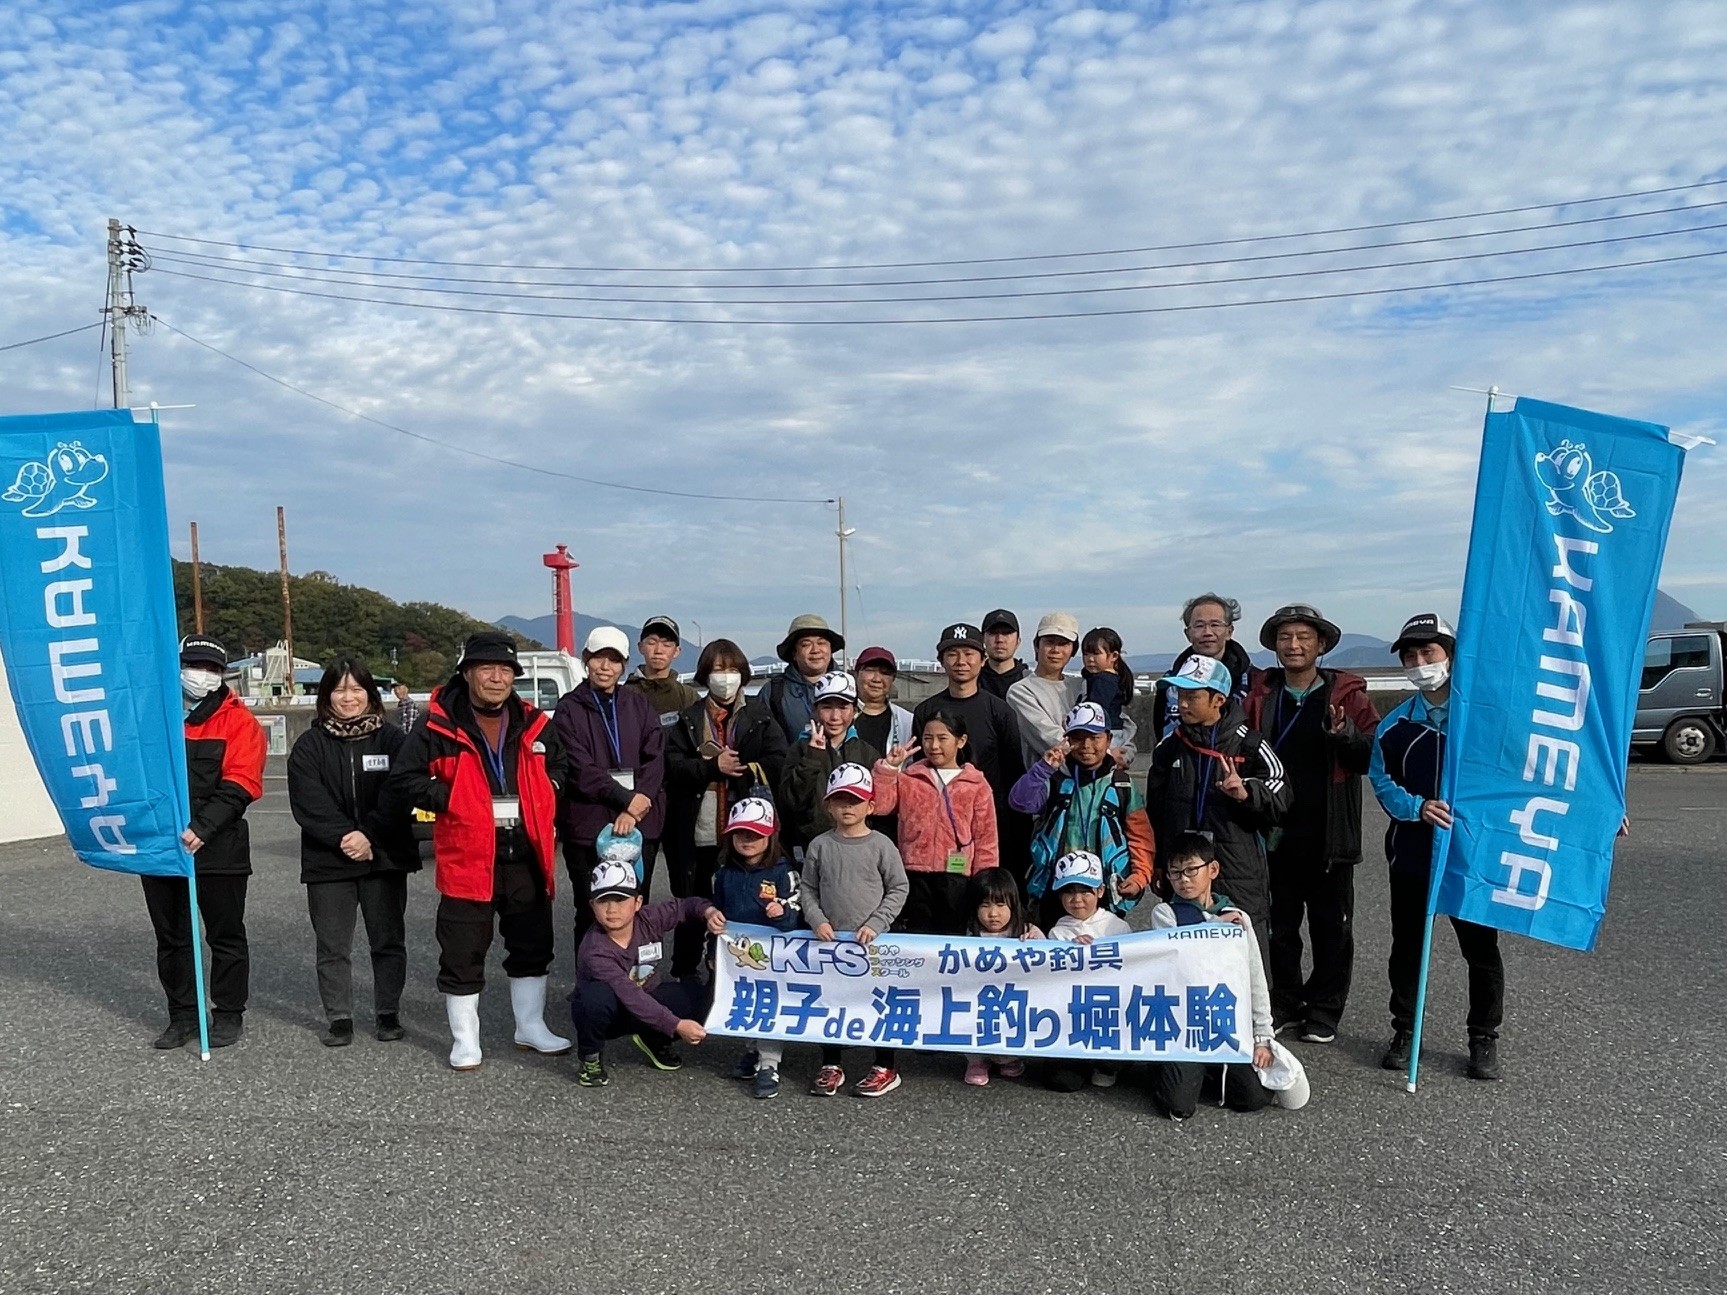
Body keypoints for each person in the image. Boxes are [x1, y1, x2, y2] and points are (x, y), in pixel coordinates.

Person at [387, 631, 571, 1070]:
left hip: (526, 852)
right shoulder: (436, 725)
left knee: (532, 944)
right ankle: (465, 1040)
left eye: (506, 670)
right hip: (467, 855)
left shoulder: (534, 722)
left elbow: (561, 765)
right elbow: (403, 779)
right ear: (467, 673)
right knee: (462, 950)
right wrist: (451, 798)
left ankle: (530, 1027)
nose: (497, 677)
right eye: (487, 668)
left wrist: (549, 787)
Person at [1369, 613, 1504, 1082]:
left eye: (1429, 653)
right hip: (1412, 855)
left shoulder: (1485, 718)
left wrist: (1598, 813)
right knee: (1408, 948)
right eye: (1410, 657)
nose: (1420, 663)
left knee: (1480, 950)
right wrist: (1417, 807)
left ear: (1450, 655)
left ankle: (1483, 1037)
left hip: (1472, 856)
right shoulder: (1393, 726)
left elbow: (1527, 775)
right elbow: (1382, 781)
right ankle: (1406, 1031)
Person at [1243, 604, 1380, 1044]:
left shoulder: (1348, 696)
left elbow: (1372, 756)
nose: (1294, 645)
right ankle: (1284, 1001)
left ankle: (1324, 1009)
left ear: (1321, 645)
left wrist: (1346, 735)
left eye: (1304, 637)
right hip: (1274, 830)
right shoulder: (1261, 696)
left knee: (1331, 927)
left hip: (1329, 832)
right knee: (1278, 926)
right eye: (1285, 637)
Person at [287, 657, 421, 1047]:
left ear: (370, 694)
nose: (349, 698)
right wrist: (347, 837)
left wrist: (369, 836)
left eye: (357, 689)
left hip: (384, 855)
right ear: (327, 696)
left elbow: (400, 793)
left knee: (388, 941)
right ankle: (339, 1018)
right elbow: (308, 802)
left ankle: (388, 1013)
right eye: (340, 690)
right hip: (328, 859)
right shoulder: (309, 745)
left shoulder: (393, 740)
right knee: (332, 944)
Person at [144, 635, 266, 1050]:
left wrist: (203, 828)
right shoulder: (154, 715)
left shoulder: (239, 721)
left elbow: (242, 783)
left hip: (219, 845)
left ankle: (228, 1013)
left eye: (212, 669)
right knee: (172, 937)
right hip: (163, 847)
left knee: (225, 935)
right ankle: (182, 1015)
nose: (202, 675)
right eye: (194, 665)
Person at [1145, 655, 1290, 966]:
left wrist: (1247, 793)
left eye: (1193, 696)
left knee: (1245, 955)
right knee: (1184, 957)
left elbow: (1282, 796)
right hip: (1184, 870)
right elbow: (1154, 813)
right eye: (1180, 695)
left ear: (1219, 700)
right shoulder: (1169, 746)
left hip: (1237, 868)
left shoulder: (1250, 744)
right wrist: (1157, 864)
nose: (1183, 704)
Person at [663, 637, 789, 978]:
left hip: (746, 832)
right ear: (705, 675)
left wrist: (743, 768)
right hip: (700, 830)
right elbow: (672, 766)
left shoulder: (760, 716)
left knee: (745, 904)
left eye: (732, 669)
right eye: (718, 669)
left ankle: (744, 976)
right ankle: (685, 976)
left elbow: (779, 761)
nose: (726, 677)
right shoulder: (689, 718)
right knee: (695, 904)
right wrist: (711, 767)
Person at [1145, 831, 1278, 1119]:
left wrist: (1262, 1037)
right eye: (1175, 873)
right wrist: (1216, 925)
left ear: (1213, 869)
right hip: (1182, 1026)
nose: (1184, 880)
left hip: (1222, 1025)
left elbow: (1255, 978)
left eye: (1191, 870)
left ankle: (1207, 1072)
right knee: (1178, 1105)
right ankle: (1165, 1070)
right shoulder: (1165, 913)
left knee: (1253, 1098)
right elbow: (1179, 956)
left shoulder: (1237, 916)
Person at [801, 764, 909, 1097]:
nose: (848, 806)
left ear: (870, 806)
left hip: (873, 943)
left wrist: (877, 923)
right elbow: (807, 888)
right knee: (830, 1000)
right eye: (840, 800)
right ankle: (831, 1063)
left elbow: (899, 887)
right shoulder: (819, 845)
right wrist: (817, 919)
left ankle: (885, 1065)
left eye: (856, 800)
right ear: (828, 806)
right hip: (830, 942)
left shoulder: (881, 845)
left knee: (880, 1002)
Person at [570, 860, 727, 1088]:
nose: (612, 909)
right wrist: (676, 1025)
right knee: (593, 1000)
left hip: (648, 995)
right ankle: (590, 1057)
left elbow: (685, 906)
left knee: (702, 999)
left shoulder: (649, 918)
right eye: (603, 901)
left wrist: (708, 912)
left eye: (620, 900)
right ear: (592, 905)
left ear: (638, 902)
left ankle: (654, 1037)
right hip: (614, 1011)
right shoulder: (594, 950)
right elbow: (630, 995)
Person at [555, 626, 666, 937]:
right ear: (585, 659)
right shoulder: (568, 709)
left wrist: (636, 805)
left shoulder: (638, 704)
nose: (605, 667)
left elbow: (656, 757)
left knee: (635, 907)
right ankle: (592, 969)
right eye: (598, 658)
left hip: (638, 823)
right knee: (590, 910)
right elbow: (579, 767)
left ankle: (634, 968)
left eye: (614, 660)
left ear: (624, 665)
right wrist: (626, 799)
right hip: (588, 826)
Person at [1009, 701, 1154, 929]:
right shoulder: (1055, 780)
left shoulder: (1122, 786)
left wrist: (1139, 876)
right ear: (1066, 740)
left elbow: (1141, 837)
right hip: (1056, 890)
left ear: (1108, 739)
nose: (1087, 746)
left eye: (1095, 737)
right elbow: (1019, 802)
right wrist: (1044, 768)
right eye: (1077, 738)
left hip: (1103, 890)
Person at [912, 622, 1029, 879]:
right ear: (941, 660)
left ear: (983, 660)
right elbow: (921, 774)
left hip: (991, 820)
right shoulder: (926, 711)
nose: (961, 662)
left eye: (969, 654)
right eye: (952, 654)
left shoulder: (1000, 711)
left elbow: (1013, 771)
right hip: (940, 826)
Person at [872, 710, 1000, 935]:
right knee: (915, 934)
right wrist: (889, 769)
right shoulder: (910, 778)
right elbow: (882, 807)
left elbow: (986, 838)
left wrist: (985, 882)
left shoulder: (976, 784)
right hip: (912, 871)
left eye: (942, 738)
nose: (934, 746)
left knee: (953, 935)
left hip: (957, 877)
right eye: (928, 738)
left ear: (961, 741)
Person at [710, 797, 803, 1099]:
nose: (747, 840)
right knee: (744, 1002)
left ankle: (769, 1063)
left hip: (773, 955)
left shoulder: (783, 872)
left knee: (768, 1005)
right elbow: (717, 909)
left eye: (755, 833)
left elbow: (797, 910)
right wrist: (712, 944)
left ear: (770, 835)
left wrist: (783, 912)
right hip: (736, 955)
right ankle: (752, 1051)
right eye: (740, 833)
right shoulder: (724, 873)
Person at [1043, 850, 1131, 1092]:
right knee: (1063, 1081)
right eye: (1068, 892)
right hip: (1071, 1014)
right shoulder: (1057, 932)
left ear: (1100, 891)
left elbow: (1132, 970)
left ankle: (1108, 1065)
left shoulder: (1117, 927)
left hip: (1108, 1009)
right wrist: (1070, 952)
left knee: (1110, 1060)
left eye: (1085, 891)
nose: (1077, 899)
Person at [778, 671, 883, 854]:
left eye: (843, 707)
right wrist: (812, 758)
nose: (835, 716)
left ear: (855, 710)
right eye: (827, 707)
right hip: (812, 847)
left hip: (859, 848)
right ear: (815, 710)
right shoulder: (799, 749)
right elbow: (791, 802)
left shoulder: (867, 752)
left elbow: (878, 806)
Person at [961, 867, 1042, 1086]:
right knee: (974, 1018)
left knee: (1012, 1019)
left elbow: (1048, 967)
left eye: (1000, 905)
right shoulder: (969, 934)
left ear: (1013, 904)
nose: (993, 913)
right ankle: (976, 1060)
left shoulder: (1027, 931)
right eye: (985, 905)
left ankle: (1009, 1058)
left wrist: (1036, 944)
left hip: (1012, 997)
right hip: (980, 996)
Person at [1151, 593, 1258, 742]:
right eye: (1199, 625)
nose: (1207, 632)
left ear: (1229, 631)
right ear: (1188, 634)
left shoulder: (1255, 681)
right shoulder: (1170, 684)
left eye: (1215, 625)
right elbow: (1160, 731)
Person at [1006, 612, 1081, 766]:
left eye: (1063, 643)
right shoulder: (1020, 692)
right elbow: (1049, 738)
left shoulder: (1081, 685)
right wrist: (1098, 752)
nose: (1055, 650)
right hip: (1047, 779)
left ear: (1073, 650)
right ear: (1036, 646)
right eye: (1049, 642)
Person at [760, 613, 843, 744]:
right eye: (806, 644)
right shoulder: (773, 692)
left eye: (821, 643)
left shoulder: (850, 686)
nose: (815, 650)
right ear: (794, 653)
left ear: (831, 649)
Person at [625, 615, 701, 722]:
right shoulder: (624, 695)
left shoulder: (688, 697)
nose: (658, 650)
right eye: (652, 643)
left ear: (676, 651)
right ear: (640, 647)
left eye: (667, 644)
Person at [1080, 626, 1138, 763]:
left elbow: (1095, 709)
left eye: (1096, 654)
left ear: (1114, 656)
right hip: (1115, 732)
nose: (1090, 659)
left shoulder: (1103, 681)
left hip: (1105, 734)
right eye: (1086, 654)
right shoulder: (1113, 678)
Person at [851, 646, 915, 758]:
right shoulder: (839, 715)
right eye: (870, 670)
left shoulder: (907, 721)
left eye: (885, 673)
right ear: (856, 674)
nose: (877, 679)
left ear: (893, 679)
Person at [978, 609, 1027, 698]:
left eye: (1006, 633)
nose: (999, 640)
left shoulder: (1029, 681)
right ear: (983, 639)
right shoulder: (971, 681)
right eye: (993, 633)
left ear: (1018, 641)